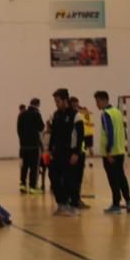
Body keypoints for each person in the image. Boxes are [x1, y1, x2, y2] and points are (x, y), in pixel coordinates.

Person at [95, 91, 130, 214]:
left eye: (97, 101)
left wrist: (108, 152)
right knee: (121, 177)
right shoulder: (117, 112)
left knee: (113, 179)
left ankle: (116, 204)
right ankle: (128, 202)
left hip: (111, 153)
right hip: (120, 151)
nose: (97, 104)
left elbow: (110, 133)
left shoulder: (106, 114)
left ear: (104, 100)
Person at [48, 88, 82, 216]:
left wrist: (76, 153)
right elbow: (53, 134)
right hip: (57, 153)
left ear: (65, 100)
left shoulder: (75, 115)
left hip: (70, 153)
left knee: (70, 180)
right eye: (55, 101)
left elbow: (80, 136)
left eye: (57, 101)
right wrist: (50, 150)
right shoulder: (56, 115)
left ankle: (74, 206)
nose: (56, 103)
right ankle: (61, 204)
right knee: (53, 177)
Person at [17, 98, 45, 193]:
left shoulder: (22, 115)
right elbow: (41, 127)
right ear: (38, 104)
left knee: (23, 166)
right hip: (34, 146)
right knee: (34, 167)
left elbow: (18, 130)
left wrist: (23, 140)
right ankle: (33, 187)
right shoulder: (36, 114)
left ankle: (23, 185)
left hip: (23, 146)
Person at [69, 97, 89, 208]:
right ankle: (73, 199)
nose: (77, 107)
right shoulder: (73, 117)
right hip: (74, 152)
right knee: (73, 177)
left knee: (78, 177)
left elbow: (85, 134)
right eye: (75, 105)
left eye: (77, 105)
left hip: (81, 151)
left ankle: (76, 199)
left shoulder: (81, 116)